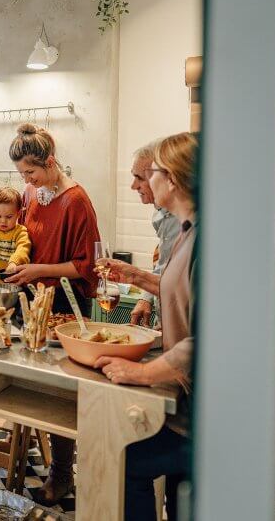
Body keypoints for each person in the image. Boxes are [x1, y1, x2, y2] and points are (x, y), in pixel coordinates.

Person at [93, 132, 198, 521]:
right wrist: (135, 277)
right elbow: (177, 289)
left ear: (171, 179)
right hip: (188, 401)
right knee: (180, 496)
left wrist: (143, 371)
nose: (142, 182)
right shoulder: (187, 232)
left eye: (149, 173)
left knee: (125, 461)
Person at [2, 123, 100, 506]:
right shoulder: (32, 192)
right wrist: (15, 262)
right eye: (22, 174)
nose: (26, 180)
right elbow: (26, 239)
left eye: (31, 171)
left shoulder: (77, 201)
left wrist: (39, 271)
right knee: (26, 382)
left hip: (66, 307)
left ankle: (62, 476)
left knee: (60, 394)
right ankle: (24, 451)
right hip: (33, 299)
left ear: (52, 162)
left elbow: (87, 266)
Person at [128, 142, 181, 326]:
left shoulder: (187, 222)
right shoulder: (160, 213)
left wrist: (133, 275)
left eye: (140, 178)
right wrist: (146, 297)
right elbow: (164, 264)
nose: (133, 186)